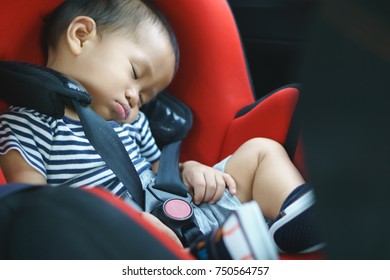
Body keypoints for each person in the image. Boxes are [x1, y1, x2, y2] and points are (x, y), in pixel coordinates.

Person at [0, 0, 321, 257]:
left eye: (146, 96)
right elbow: (34, 207)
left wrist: (191, 169)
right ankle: (215, 253)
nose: (135, 99)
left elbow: (161, 173)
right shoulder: (28, 123)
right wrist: (124, 226)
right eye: (135, 73)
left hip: (187, 212)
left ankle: (297, 215)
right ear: (81, 35)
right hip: (116, 240)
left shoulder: (133, 122)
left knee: (261, 150)